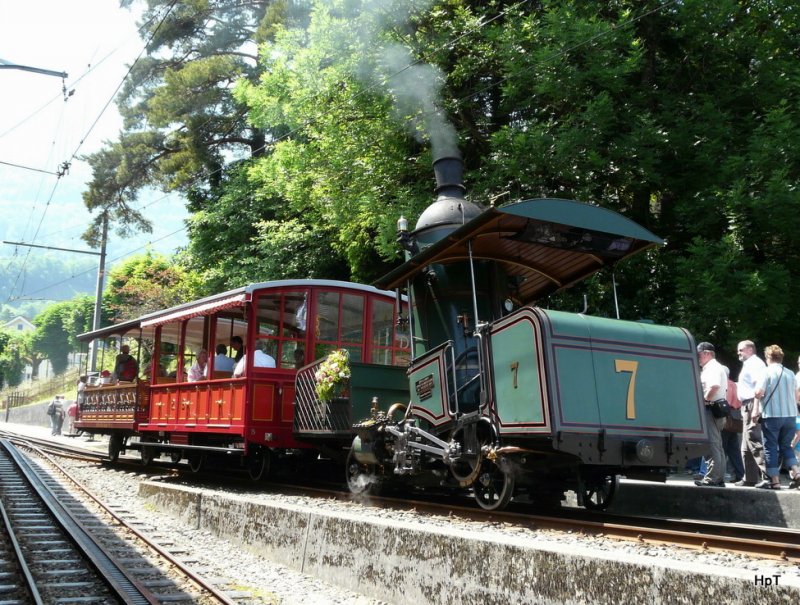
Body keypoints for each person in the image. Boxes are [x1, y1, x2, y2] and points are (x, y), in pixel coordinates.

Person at [753, 345, 800, 489]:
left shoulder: (765, 372)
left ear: (768, 357)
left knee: (771, 447)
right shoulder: (790, 373)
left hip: (772, 415)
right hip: (790, 415)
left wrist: (756, 404)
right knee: (786, 446)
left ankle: (775, 481)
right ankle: (797, 473)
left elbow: (759, 392)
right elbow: (796, 394)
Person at [695, 342, 727, 487]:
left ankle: (712, 478)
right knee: (717, 445)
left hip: (711, 409)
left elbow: (714, 386)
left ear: (707, 353)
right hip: (716, 409)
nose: (697, 358)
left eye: (699, 355)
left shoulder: (712, 368)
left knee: (711, 444)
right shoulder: (715, 367)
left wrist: (703, 401)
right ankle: (718, 478)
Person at [736, 339, 767, 486]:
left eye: (740, 350)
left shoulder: (755, 363)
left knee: (753, 439)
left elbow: (758, 388)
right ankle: (750, 477)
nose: (738, 353)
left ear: (749, 349)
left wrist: (755, 408)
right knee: (746, 444)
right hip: (747, 405)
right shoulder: (749, 364)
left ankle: (768, 476)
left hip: (751, 404)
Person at [722, 368, 745, 483]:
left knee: (721, 448)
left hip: (727, 417)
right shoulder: (734, 384)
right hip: (735, 418)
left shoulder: (725, 384)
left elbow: (726, 401)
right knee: (734, 449)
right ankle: (740, 474)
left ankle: (718, 475)